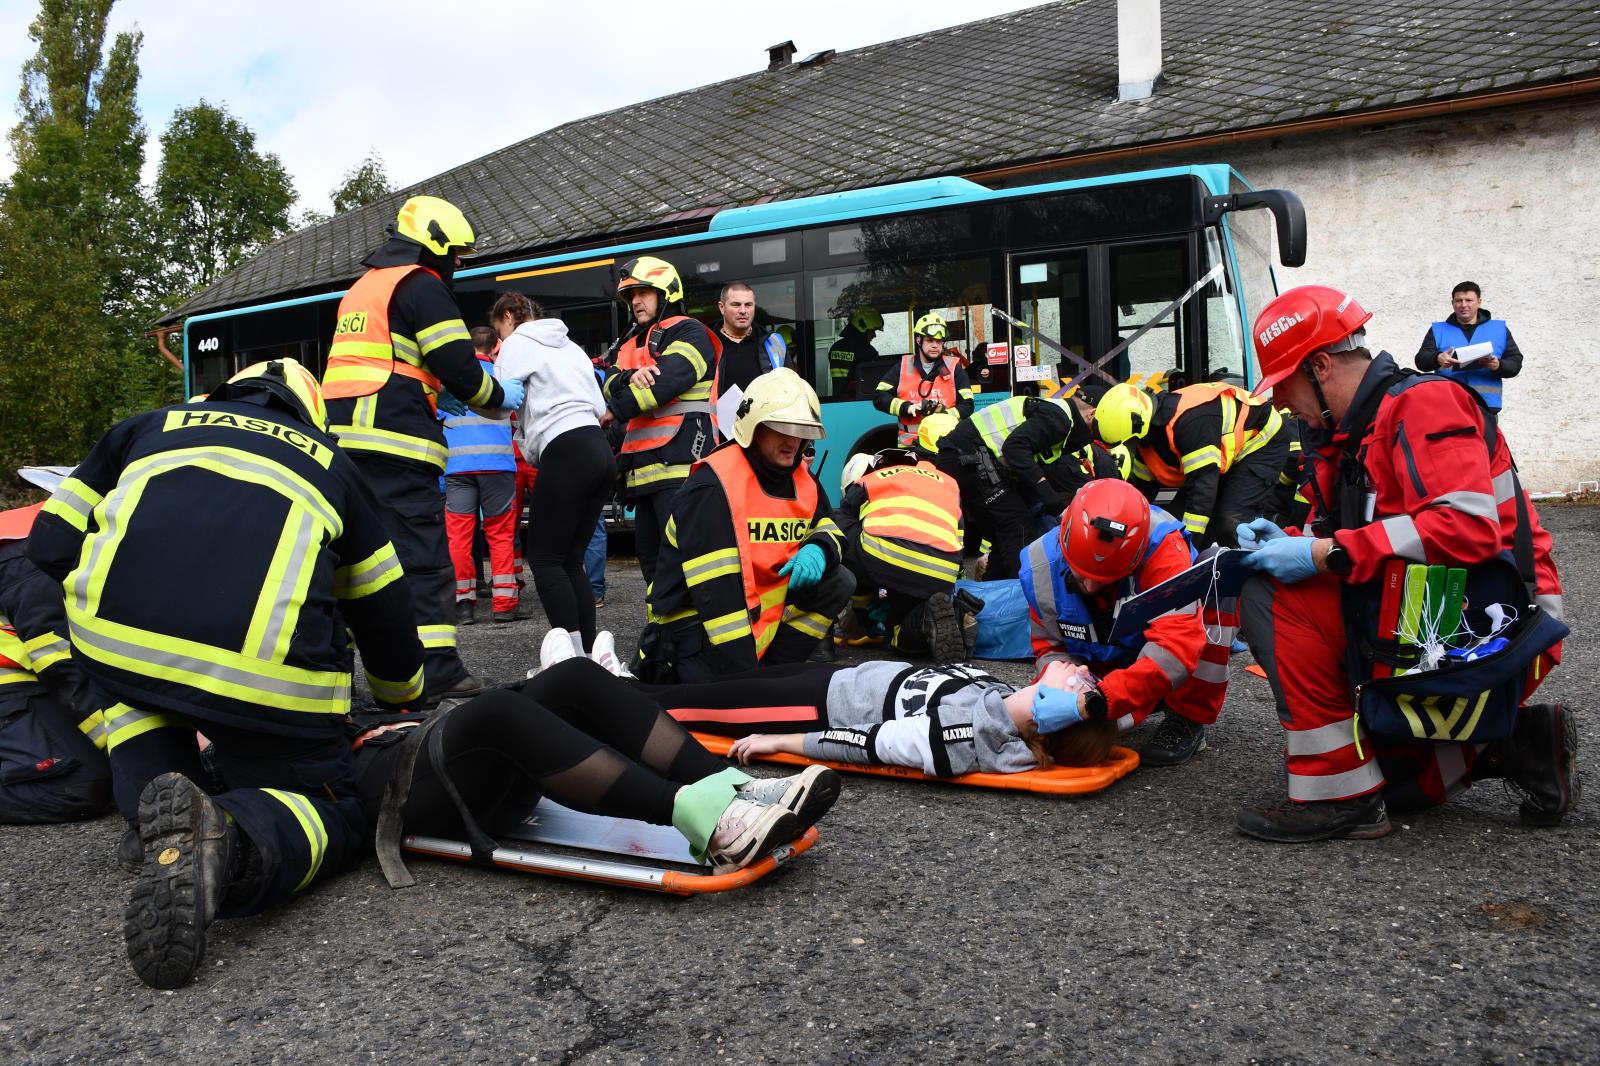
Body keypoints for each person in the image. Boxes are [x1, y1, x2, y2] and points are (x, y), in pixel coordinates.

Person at [26, 359, 426, 989]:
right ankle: (231, 838)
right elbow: (384, 610)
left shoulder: (143, 428)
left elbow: (46, 546)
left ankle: (151, 811)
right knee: (336, 806)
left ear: (221, 394)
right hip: (267, 686)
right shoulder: (331, 466)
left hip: (118, 646)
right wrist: (403, 696)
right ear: (312, 417)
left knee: (129, 678)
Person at [1234, 284, 1572, 841]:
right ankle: (1516, 744)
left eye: (1283, 384)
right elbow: (1364, 532)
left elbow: (1466, 529)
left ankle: (1342, 800)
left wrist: (1320, 552)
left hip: (1505, 621)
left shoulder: (1423, 403)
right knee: (1401, 787)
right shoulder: (1347, 436)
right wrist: (1293, 539)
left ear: (1320, 367)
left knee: (1268, 597)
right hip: (1446, 605)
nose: (1277, 402)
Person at [354, 658, 839, 879]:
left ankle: (732, 788)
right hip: (384, 788)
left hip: (408, 744)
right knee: (496, 710)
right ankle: (710, 821)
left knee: (574, 676)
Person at [321, 195, 521, 703]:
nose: (456, 266)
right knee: (421, 561)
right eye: (455, 255)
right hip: (396, 447)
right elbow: (459, 366)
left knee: (353, 563)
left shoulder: (363, 289)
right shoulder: (421, 285)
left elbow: (390, 361)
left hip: (345, 449)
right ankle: (435, 673)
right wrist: (500, 398)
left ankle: (332, 679)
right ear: (432, 246)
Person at [636, 368, 854, 682]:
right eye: (781, 428)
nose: (793, 441)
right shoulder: (713, 487)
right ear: (752, 428)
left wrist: (819, 548)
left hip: (752, 619)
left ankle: (776, 671)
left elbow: (830, 527)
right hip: (693, 628)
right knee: (719, 700)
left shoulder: (803, 481)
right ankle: (755, 681)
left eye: (801, 430)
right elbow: (717, 597)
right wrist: (748, 684)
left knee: (840, 580)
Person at [1021, 478, 1237, 768]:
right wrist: (1066, 685)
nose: (1090, 584)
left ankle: (1188, 717)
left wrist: (1094, 703)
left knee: (1217, 574)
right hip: (1097, 667)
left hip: (1149, 658)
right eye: (1081, 573)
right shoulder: (1039, 565)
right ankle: (1133, 698)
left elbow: (1174, 652)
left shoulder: (1164, 552)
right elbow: (1049, 646)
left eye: (1103, 580)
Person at [639, 659, 1120, 777]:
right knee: (711, 689)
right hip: (840, 678)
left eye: (1081, 686)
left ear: (1054, 715)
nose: (1080, 670)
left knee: (688, 707)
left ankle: (601, 692)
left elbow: (867, 743)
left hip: (822, 706)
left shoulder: (966, 739)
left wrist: (780, 741)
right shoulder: (1006, 699)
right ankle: (620, 682)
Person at [493, 292, 615, 655]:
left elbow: (500, 404)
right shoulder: (572, 347)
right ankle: (592, 654)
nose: (501, 339)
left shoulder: (516, 344)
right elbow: (598, 404)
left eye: (500, 329)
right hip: (598, 450)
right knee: (569, 560)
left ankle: (572, 659)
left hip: (565, 450)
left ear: (510, 316)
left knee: (545, 561)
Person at [601, 256, 721, 586]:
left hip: (683, 466)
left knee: (683, 565)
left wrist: (615, 407)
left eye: (643, 292)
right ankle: (663, 633)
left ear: (666, 292)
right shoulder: (628, 344)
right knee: (653, 569)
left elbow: (666, 381)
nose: (636, 301)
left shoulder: (692, 332)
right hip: (643, 475)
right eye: (630, 295)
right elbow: (608, 381)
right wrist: (628, 378)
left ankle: (688, 636)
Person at [0, 503, 112, 824]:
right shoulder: (27, 556)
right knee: (74, 785)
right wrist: (130, 743)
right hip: (14, 682)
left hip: (27, 677)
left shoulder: (68, 524)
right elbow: (63, 660)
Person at [1091, 380, 1288, 550]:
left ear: (1137, 427)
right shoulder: (1148, 435)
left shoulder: (1189, 423)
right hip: (1226, 453)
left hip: (1261, 441)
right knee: (1198, 520)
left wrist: (1187, 547)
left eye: (1127, 443)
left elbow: (1202, 492)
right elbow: (1143, 494)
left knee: (1230, 521)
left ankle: (1245, 578)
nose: (1128, 448)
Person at [929, 394, 1096, 582]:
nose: (1090, 437)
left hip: (963, 457)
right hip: (967, 457)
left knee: (1006, 535)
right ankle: (1018, 595)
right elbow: (1015, 448)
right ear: (1091, 414)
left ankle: (993, 596)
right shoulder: (1059, 419)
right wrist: (1046, 493)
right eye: (1094, 431)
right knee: (1017, 525)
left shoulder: (1055, 413)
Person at [832, 449, 973, 661]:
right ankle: (932, 617)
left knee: (840, 532)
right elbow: (958, 539)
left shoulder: (869, 480)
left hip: (887, 560)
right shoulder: (947, 482)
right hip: (942, 571)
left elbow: (841, 521)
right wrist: (949, 584)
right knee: (906, 618)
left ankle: (866, 618)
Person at [441, 326, 520, 624]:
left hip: (457, 468)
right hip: (497, 466)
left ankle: (463, 605)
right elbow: (516, 419)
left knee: (459, 537)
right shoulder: (502, 377)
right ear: (494, 347)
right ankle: (504, 604)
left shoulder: (452, 379)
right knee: (500, 534)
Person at [1414, 280, 1523, 411]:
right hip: (1448, 404)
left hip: (1486, 406)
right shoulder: (1438, 329)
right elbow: (1421, 360)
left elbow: (1515, 363)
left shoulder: (1499, 329)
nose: (1463, 305)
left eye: (1469, 300)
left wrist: (1498, 365)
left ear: (1479, 302)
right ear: (1452, 303)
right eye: (1459, 300)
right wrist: (1437, 358)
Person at [873, 313, 975, 447]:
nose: (935, 346)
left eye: (939, 341)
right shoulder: (902, 368)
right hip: (911, 447)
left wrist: (944, 413)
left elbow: (968, 405)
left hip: (946, 446)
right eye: (930, 340)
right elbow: (879, 397)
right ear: (918, 340)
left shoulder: (955, 369)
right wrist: (907, 408)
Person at [711, 281, 787, 400]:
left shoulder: (773, 342)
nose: (743, 310)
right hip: (718, 418)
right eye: (736, 305)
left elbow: (790, 388)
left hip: (764, 417)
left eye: (748, 305)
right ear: (722, 307)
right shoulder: (705, 342)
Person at [827, 308, 882, 398]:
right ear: (863, 328)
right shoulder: (868, 351)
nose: (874, 335)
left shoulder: (836, 347)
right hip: (859, 400)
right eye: (873, 331)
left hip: (838, 400)